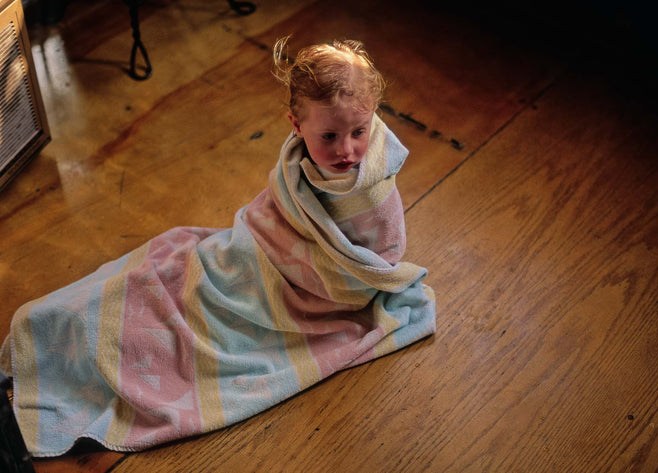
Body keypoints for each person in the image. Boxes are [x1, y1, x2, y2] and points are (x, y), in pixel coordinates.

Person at [0, 37, 436, 458]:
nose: (347, 150)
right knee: (169, 281)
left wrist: (340, 283)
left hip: (309, 295)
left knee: (183, 335)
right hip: (248, 255)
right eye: (329, 137)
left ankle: (90, 357)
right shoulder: (295, 160)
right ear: (296, 126)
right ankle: (56, 332)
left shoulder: (373, 185)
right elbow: (275, 214)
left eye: (359, 132)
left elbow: (382, 259)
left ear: (373, 117)